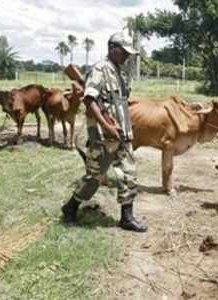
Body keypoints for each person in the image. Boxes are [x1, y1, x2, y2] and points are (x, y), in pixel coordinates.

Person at [61, 32, 147, 232]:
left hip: (122, 134)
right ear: (112, 49)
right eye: (124, 52)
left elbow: (120, 103)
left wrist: (124, 127)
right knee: (94, 178)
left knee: (130, 174)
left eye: (128, 53)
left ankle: (127, 217)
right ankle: (70, 208)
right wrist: (107, 125)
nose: (126, 56)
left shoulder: (121, 72)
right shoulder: (100, 69)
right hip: (102, 137)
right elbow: (89, 101)